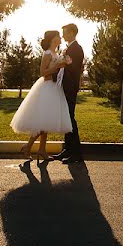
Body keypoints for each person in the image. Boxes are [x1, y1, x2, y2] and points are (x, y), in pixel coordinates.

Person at [9, 30, 72, 161]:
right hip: (46, 88)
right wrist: (58, 66)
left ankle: (41, 149)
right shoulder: (48, 54)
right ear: (53, 39)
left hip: (55, 88)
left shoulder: (56, 53)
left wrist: (63, 64)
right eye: (58, 36)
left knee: (46, 121)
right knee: (43, 121)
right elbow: (43, 72)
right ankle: (28, 146)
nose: (61, 38)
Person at [50, 23, 85, 164]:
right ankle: (68, 149)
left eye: (64, 32)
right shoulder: (68, 48)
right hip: (64, 87)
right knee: (66, 117)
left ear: (71, 33)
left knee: (70, 118)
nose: (63, 35)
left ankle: (77, 154)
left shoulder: (76, 49)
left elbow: (73, 69)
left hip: (70, 88)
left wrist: (63, 62)